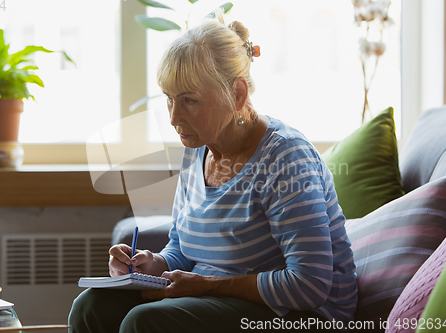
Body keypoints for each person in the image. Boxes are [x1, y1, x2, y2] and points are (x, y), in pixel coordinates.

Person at [69, 14, 357, 333]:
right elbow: (182, 247)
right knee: (91, 307)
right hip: (216, 299)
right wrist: (150, 264)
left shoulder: (286, 157)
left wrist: (205, 285)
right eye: (169, 100)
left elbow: (309, 285)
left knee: (146, 322)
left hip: (301, 316)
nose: (174, 118)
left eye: (189, 101)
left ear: (237, 94)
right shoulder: (198, 145)